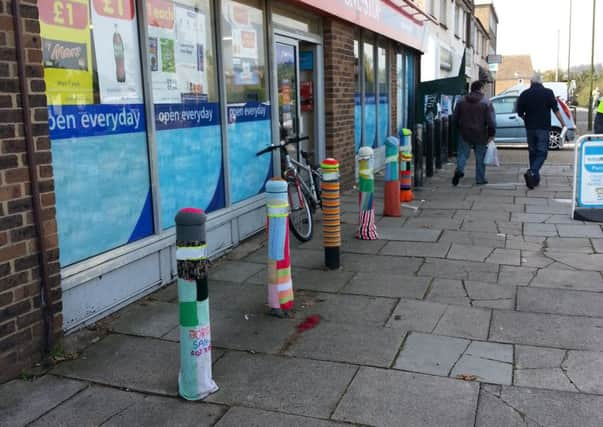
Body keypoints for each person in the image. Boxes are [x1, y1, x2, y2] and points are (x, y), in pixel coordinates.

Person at [516, 73, 566, 189]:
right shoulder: (548, 93)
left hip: (530, 128)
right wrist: (563, 123)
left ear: (531, 82)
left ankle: (534, 180)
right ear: (541, 82)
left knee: (533, 153)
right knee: (542, 153)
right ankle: (532, 172)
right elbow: (555, 109)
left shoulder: (525, 94)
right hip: (543, 127)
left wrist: (526, 119)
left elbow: (519, 112)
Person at [451, 80, 496, 186]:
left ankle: (459, 170)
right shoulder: (486, 102)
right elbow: (491, 121)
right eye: (483, 88)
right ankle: (480, 179)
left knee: (462, 154)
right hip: (481, 133)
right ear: (480, 89)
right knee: (480, 157)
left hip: (464, 132)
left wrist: (459, 127)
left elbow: (454, 118)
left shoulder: (461, 100)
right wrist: (491, 134)